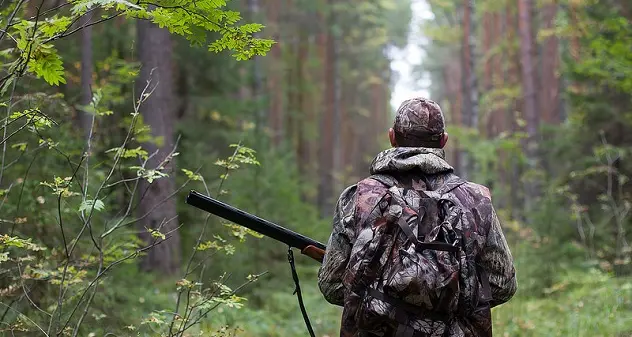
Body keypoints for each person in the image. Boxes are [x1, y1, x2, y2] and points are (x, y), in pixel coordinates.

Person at [317, 97, 517, 337]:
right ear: (444, 141)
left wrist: (385, 305)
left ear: (392, 137)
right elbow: (503, 284)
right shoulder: (476, 199)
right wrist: (447, 302)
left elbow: (332, 285)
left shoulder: (359, 197)